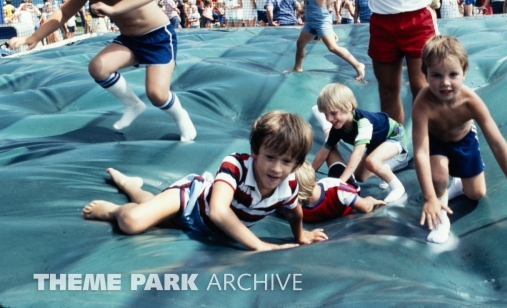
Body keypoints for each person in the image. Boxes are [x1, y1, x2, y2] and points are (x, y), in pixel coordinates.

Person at [8, 0, 196, 141]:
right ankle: (133, 104)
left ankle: (181, 116)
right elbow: (63, 13)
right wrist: (34, 37)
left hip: (158, 38)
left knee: (157, 94)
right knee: (98, 67)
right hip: (130, 41)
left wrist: (114, 10)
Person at [81, 111, 327, 251]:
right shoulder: (236, 166)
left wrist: (300, 235)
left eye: (286, 161)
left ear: (297, 164)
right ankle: (114, 210)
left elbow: (294, 212)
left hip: (205, 226)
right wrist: (260, 245)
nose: (276, 168)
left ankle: (130, 185)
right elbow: (218, 211)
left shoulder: (288, 185)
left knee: (151, 208)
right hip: (190, 200)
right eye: (270, 157)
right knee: (132, 222)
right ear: (254, 151)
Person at [412, 35, 507, 243]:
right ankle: (441, 218)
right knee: (438, 178)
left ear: (464, 73)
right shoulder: (423, 102)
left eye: (453, 74)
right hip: (436, 140)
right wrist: (429, 198)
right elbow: (420, 151)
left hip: (464, 140)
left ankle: (457, 185)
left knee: (476, 194)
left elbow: (497, 143)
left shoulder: (471, 101)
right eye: (436, 75)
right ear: (425, 74)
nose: (445, 83)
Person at [309, 83, 408, 203]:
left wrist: (341, 182)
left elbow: (357, 154)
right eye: (325, 114)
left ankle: (398, 187)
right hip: (375, 143)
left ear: (349, 106)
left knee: (372, 161)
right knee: (360, 176)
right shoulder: (338, 127)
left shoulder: (363, 122)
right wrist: (308, 175)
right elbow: (323, 153)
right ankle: (384, 168)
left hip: (393, 136)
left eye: (333, 113)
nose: (329, 118)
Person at [292, 0, 365, 81]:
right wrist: (303, 10)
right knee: (300, 44)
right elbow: (311, 3)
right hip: (310, 21)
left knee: (332, 47)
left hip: (321, 20)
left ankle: (358, 65)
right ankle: (297, 68)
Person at [294, 162, 386, 223]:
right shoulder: (295, 208)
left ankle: (383, 169)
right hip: (326, 187)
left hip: (346, 185)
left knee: (337, 166)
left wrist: (371, 200)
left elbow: (366, 206)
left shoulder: (339, 190)